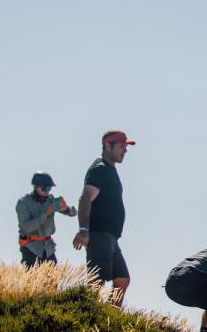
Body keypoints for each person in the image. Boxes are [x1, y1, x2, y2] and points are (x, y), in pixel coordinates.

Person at [73, 130, 135, 306]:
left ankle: (110, 316)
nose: (125, 150)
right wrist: (83, 230)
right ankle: (87, 313)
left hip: (110, 237)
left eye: (126, 146)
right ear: (107, 145)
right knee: (96, 280)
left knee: (122, 279)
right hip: (99, 233)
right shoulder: (100, 170)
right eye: (122, 146)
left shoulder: (109, 170)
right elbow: (85, 198)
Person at [15, 171, 77, 267]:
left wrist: (66, 209)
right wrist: (46, 214)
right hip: (30, 247)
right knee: (32, 280)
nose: (47, 191)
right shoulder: (23, 203)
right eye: (45, 188)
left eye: (49, 188)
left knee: (53, 280)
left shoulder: (51, 200)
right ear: (36, 186)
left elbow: (74, 213)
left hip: (48, 247)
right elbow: (27, 227)